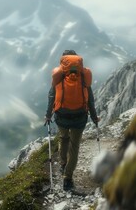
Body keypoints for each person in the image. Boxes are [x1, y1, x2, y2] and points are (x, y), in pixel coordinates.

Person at [44, 50, 99, 191]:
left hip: (61, 116)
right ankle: (67, 178)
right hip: (79, 117)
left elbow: (51, 97)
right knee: (74, 147)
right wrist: (94, 117)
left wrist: (48, 115)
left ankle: (63, 164)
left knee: (63, 138)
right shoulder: (83, 77)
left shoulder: (58, 76)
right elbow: (90, 100)